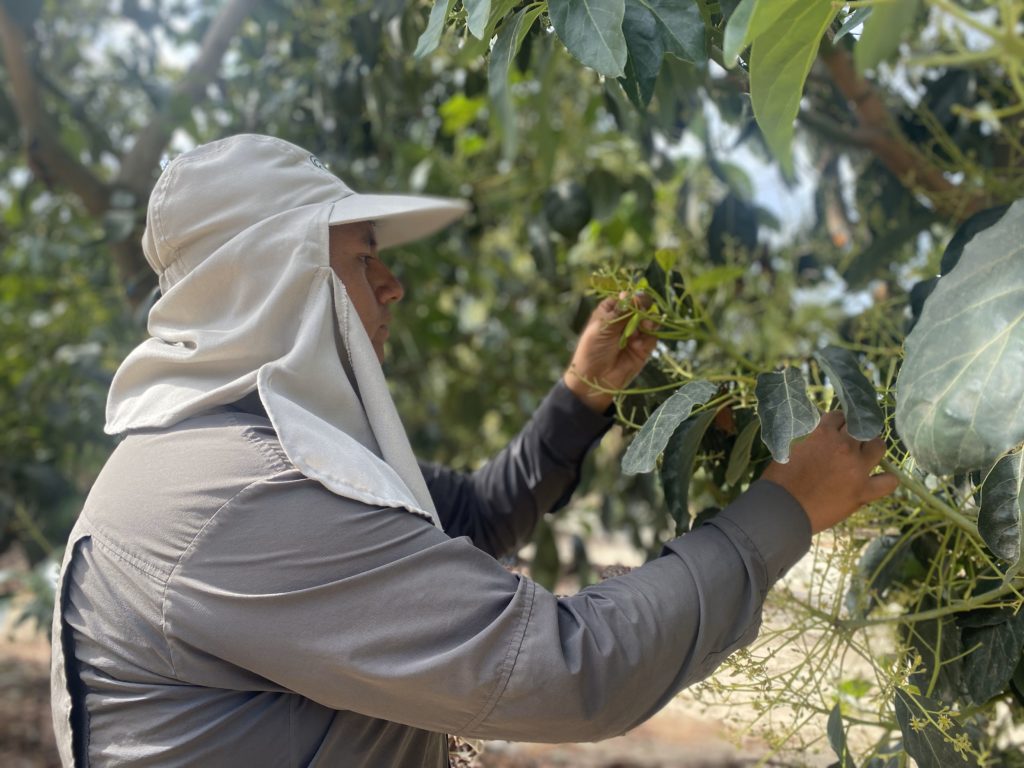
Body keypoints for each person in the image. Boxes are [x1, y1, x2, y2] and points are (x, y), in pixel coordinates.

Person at [50, 134, 898, 767]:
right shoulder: (238, 500)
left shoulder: (246, 452)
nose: (393, 286)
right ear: (278, 278)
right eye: (365, 259)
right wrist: (786, 508)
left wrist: (580, 397)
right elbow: (569, 671)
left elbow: (468, 518)